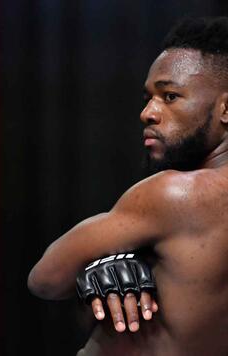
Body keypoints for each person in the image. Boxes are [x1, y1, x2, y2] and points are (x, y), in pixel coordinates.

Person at [28, 17, 228, 355]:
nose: (148, 113)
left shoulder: (174, 193)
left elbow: (45, 278)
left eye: (170, 96)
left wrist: (114, 260)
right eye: (150, 97)